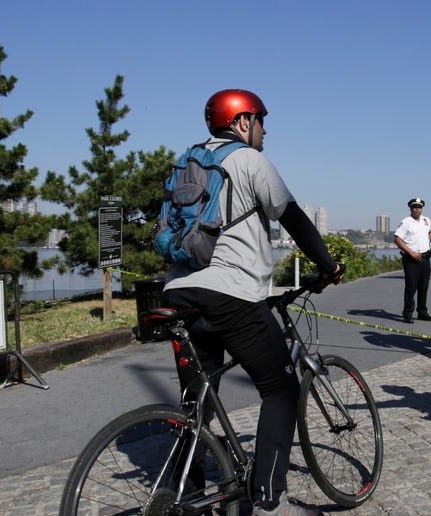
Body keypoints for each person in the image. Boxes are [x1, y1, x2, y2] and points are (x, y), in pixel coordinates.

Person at [162, 89, 340, 516]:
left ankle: (186, 494)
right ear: (242, 123)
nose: (265, 130)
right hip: (232, 293)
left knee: (197, 401)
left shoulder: (185, 162)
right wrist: (329, 266)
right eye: (261, 121)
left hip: (178, 293)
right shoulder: (248, 160)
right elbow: (293, 217)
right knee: (280, 390)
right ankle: (269, 501)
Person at [394, 197, 431, 323]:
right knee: (411, 287)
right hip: (411, 260)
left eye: (419, 207)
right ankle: (408, 313)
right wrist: (411, 252)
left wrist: (427, 242)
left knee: (424, 287)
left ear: (422, 209)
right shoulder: (406, 222)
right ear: (410, 208)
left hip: (425, 257)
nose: (417, 209)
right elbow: (397, 239)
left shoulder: (426, 221)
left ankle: (422, 312)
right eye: (414, 207)